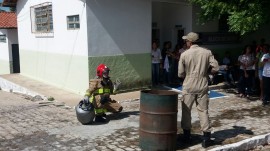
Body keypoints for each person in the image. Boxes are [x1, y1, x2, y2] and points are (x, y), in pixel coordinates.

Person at [178, 32, 219, 148]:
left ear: (190, 42)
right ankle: (206, 138)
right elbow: (216, 67)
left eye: (186, 41)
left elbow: (180, 74)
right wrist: (207, 73)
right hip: (202, 83)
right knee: (203, 110)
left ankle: (187, 136)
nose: (186, 42)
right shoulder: (207, 52)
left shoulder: (184, 54)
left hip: (189, 84)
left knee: (186, 111)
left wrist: (188, 74)